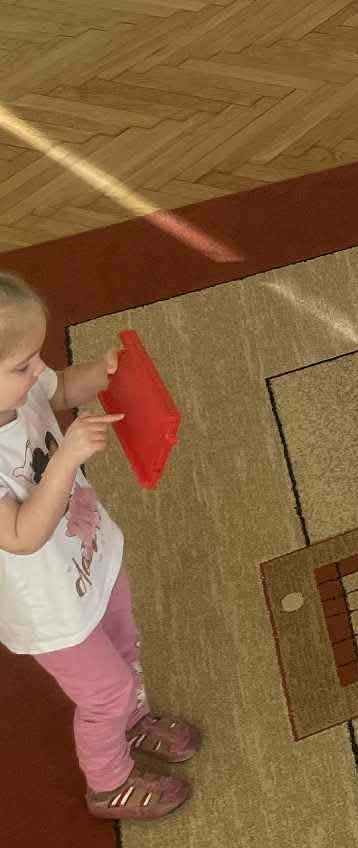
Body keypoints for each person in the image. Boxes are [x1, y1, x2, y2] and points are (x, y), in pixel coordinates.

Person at [0, 274, 200, 821]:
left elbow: (60, 388)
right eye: (22, 366)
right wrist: (65, 460)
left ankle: (132, 722)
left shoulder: (21, 389)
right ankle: (108, 784)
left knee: (124, 643)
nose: (37, 371)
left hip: (88, 557)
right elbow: (20, 536)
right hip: (49, 607)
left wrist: (103, 373)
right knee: (105, 691)